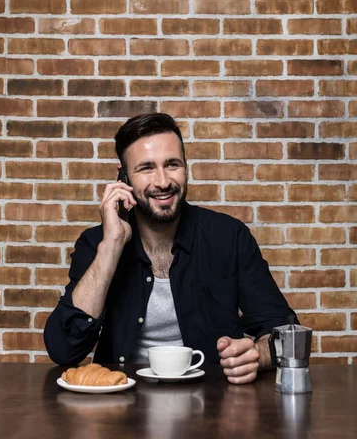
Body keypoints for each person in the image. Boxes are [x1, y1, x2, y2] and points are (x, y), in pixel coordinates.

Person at [44, 113, 297, 384]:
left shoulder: (229, 237)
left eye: (172, 164)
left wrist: (257, 355)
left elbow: (286, 334)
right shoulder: (98, 244)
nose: (163, 181)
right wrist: (112, 247)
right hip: (121, 404)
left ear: (187, 168)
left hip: (211, 403)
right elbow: (64, 349)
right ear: (124, 177)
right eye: (146, 168)